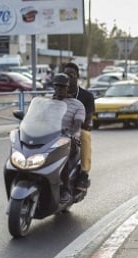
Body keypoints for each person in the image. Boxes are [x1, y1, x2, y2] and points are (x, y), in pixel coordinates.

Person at [51, 73, 86, 202]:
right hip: (47, 139)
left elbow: (78, 125)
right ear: (53, 87)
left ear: (68, 88)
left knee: (62, 154)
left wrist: (74, 135)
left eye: (62, 87)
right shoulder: (48, 103)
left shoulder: (77, 105)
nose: (59, 89)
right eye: (57, 87)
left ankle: (65, 189)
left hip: (66, 140)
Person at [62, 62, 94, 192]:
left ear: (77, 76)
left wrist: (86, 123)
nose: (68, 78)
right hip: (59, 130)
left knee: (85, 135)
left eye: (71, 75)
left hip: (77, 130)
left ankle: (84, 174)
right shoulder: (59, 93)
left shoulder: (86, 96)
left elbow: (89, 117)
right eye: (65, 75)